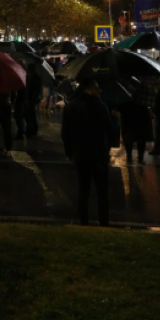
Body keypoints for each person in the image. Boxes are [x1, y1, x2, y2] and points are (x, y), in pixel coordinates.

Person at [61, 78, 115, 226]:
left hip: (80, 152)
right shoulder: (101, 106)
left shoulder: (70, 107)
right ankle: (103, 221)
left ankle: (83, 221)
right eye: (97, 88)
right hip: (98, 152)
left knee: (83, 189)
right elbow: (109, 130)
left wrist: (69, 152)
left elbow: (66, 133)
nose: (100, 91)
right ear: (89, 89)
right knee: (102, 190)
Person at [115, 99, 152, 165]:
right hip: (141, 120)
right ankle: (140, 159)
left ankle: (129, 157)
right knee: (141, 140)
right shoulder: (142, 99)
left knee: (128, 140)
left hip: (128, 120)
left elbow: (118, 107)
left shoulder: (124, 99)